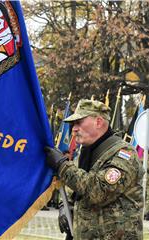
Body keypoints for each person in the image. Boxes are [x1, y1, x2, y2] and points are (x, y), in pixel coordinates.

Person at [45, 99, 144, 240]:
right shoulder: (85, 152)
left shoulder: (124, 154)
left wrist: (62, 166)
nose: (74, 129)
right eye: (73, 124)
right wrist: (64, 206)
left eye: (79, 122)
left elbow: (98, 191)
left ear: (98, 122)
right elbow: (73, 189)